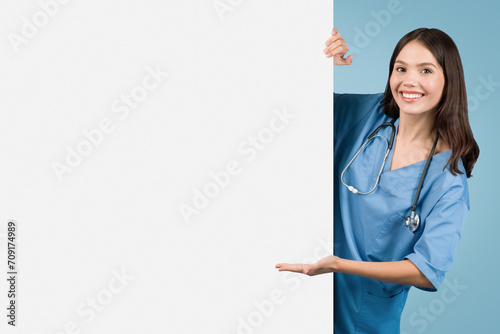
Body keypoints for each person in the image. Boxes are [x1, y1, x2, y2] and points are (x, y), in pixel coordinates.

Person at [275, 28, 479, 333]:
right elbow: (286, 103)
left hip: (364, 319)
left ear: (449, 80)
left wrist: (339, 265)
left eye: (425, 70)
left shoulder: (448, 179)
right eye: (401, 68)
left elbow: (426, 270)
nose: (409, 80)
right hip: (300, 299)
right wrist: (318, 63)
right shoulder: (366, 114)